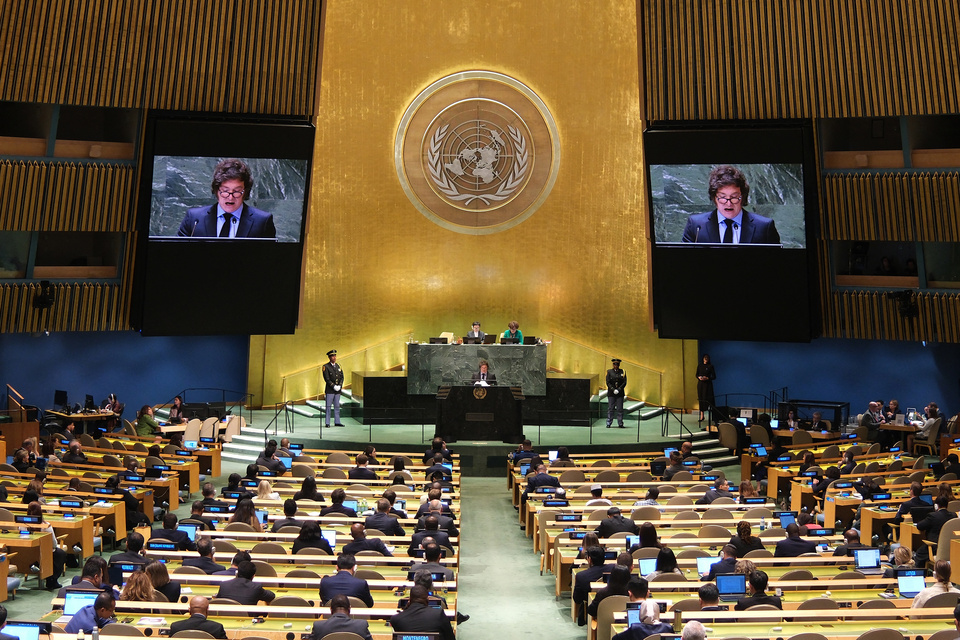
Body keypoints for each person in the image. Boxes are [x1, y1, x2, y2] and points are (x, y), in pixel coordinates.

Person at [176, 158, 276, 238]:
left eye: (236, 191)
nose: (230, 197)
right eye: (225, 191)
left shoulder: (262, 221)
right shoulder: (194, 219)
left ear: (245, 191)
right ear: (216, 190)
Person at [681, 165, 781, 245]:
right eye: (723, 197)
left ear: (743, 197)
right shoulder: (696, 226)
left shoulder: (764, 227)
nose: (728, 203)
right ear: (714, 198)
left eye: (734, 197)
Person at [23, 501, 66, 589]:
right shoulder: (46, 526)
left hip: (27, 554)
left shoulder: (22, 525)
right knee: (60, 553)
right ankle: (52, 580)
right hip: (44, 554)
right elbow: (54, 544)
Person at [390, 584, 455, 640]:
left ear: (409, 600)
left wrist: (406, 609)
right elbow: (450, 638)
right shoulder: (438, 614)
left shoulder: (396, 619)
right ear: (427, 600)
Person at [916, 496, 958, 565]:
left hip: (934, 547)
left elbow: (919, 526)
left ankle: (922, 573)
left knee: (919, 553)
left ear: (936, 506)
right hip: (952, 548)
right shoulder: (954, 516)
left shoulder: (933, 516)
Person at [573, 546, 609, 625]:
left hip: (592, 608)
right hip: (611, 604)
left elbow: (577, 599)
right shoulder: (613, 569)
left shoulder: (581, 576)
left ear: (589, 559)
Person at [323, 349, 345, 427]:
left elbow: (342, 377)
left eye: (335, 356)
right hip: (330, 390)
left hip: (337, 390)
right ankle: (327, 422)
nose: (334, 357)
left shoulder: (338, 366)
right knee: (328, 407)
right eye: (332, 356)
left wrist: (340, 386)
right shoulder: (326, 367)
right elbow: (327, 379)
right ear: (329, 357)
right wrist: (333, 386)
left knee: (337, 406)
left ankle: (337, 421)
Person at [605, 358, 627, 428]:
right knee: (611, 408)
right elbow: (608, 382)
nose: (616, 365)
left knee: (620, 409)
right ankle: (609, 423)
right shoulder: (609, 372)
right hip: (611, 393)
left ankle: (620, 423)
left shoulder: (622, 372)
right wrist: (613, 389)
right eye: (614, 364)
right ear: (613, 364)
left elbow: (624, 382)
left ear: (619, 365)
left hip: (620, 393)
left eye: (617, 364)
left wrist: (619, 389)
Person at [696, 354, 716, 421]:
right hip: (700, 384)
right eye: (705, 358)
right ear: (703, 359)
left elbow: (714, 376)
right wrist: (699, 377)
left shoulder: (710, 366)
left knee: (709, 400)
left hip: (708, 385)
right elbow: (696, 374)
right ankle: (702, 416)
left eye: (707, 358)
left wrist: (707, 378)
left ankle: (713, 416)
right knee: (701, 399)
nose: (706, 360)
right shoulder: (700, 366)